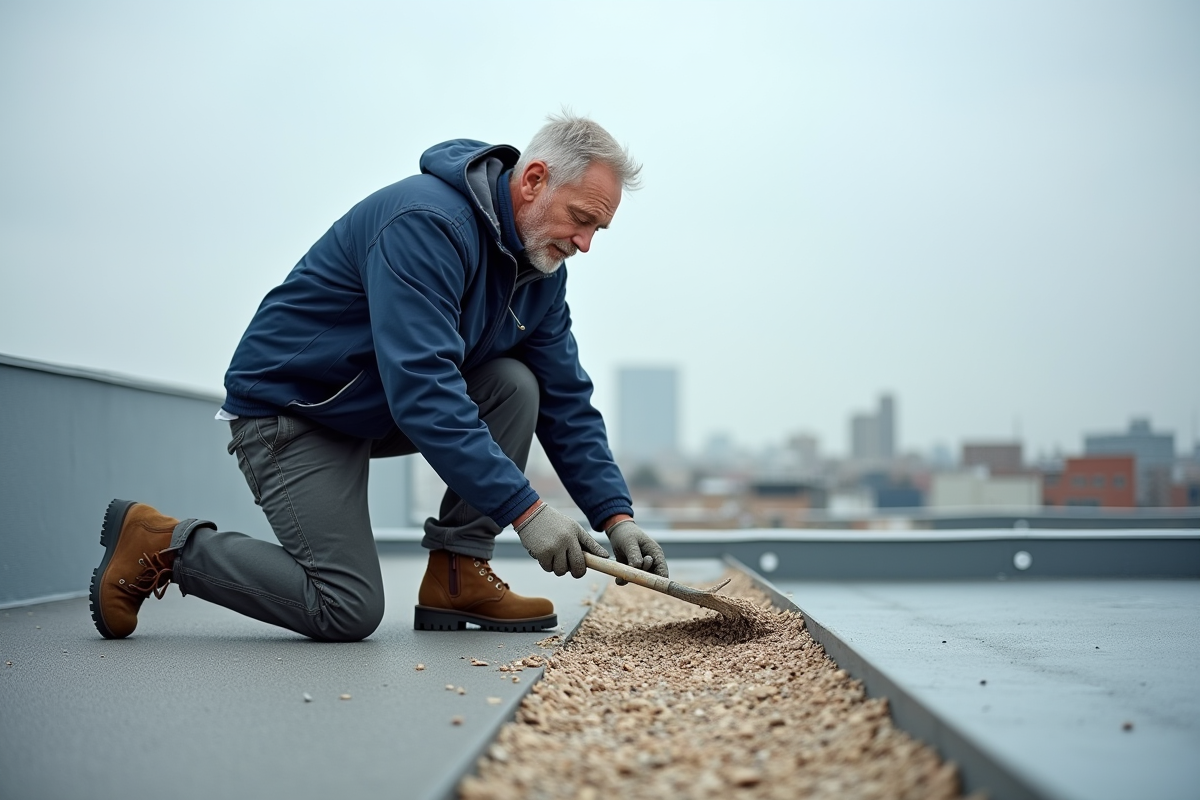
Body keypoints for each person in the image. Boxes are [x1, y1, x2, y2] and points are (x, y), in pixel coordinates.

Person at [89, 114, 669, 642]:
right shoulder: (427, 223)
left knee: (515, 383)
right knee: (346, 608)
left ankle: (459, 575)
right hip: (294, 409)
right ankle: (163, 544)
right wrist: (528, 511)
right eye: (582, 219)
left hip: (369, 405)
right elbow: (423, 384)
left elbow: (566, 399)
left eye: (600, 230)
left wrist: (615, 516)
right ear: (535, 179)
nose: (586, 244)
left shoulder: (540, 270)